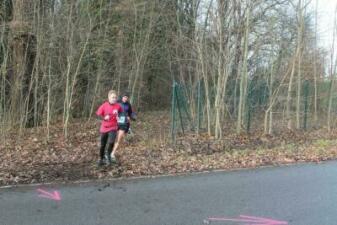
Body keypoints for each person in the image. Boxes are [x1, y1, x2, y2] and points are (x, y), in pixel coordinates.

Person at [96, 90, 123, 166]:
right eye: (112, 97)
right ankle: (101, 158)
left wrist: (119, 117)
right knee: (102, 145)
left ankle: (108, 156)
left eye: (115, 97)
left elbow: (121, 113)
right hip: (104, 127)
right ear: (108, 98)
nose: (114, 99)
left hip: (113, 127)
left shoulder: (118, 106)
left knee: (111, 142)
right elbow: (97, 114)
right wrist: (104, 117)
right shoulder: (104, 105)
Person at [111, 92, 135, 161]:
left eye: (127, 98)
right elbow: (112, 110)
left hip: (124, 123)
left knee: (119, 138)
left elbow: (131, 113)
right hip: (115, 122)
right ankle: (125, 138)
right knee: (113, 137)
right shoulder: (117, 103)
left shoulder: (128, 105)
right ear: (122, 97)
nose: (125, 99)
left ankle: (112, 153)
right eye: (124, 97)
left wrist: (132, 117)